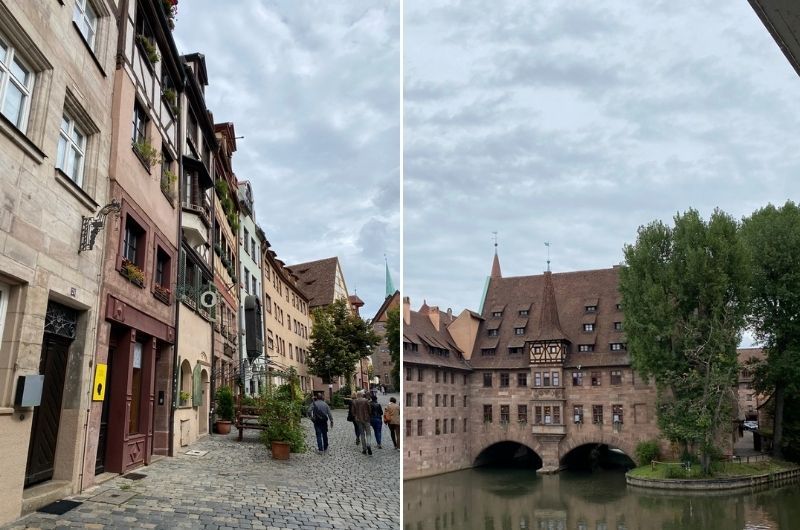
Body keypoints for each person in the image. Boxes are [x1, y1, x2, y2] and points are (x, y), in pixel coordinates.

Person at [351, 390, 373, 455]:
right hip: (366, 419)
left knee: (362, 434)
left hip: (358, 420)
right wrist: (368, 415)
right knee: (368, 433)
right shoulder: (366, 401)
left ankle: (364, 449)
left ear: (357, 395)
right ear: (362, 395)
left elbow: (353, 412)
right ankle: (368, 444)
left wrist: (356, 416)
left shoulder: (354, 402)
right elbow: (370, 410)